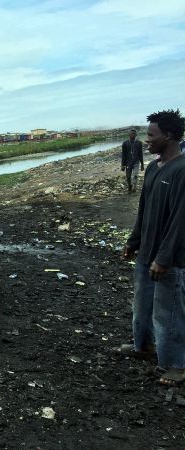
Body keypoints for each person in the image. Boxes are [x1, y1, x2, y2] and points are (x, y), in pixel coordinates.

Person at [120, 109, 185, 386]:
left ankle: (176, 365)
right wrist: (134, 241)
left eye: (151, 135)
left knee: (167, 311)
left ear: (169, 136)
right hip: (147, 253)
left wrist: (164, 258)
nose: (147, 140)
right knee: (142, 305)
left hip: (168, 259)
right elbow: (144, 211)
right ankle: (142, 346)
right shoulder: (154, 168)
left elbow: (180, 221)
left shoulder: (181, 170)